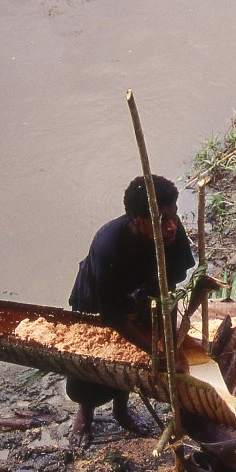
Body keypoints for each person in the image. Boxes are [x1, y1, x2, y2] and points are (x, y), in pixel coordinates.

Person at [66, 175, 196, 447]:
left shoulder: (170, 230)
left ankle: (121, 409)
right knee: (98, 357)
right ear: (137, 220)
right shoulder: (108, 246)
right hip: (99, 298)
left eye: (173, 215)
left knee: (133, 357)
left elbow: (169, 288)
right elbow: (112, 315)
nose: (171, 226)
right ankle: (85, 415)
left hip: (141, 291)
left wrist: (167, 340)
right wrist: (154, 349)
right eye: (161, 219)